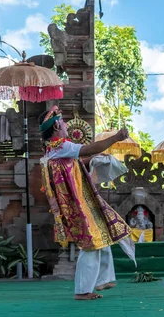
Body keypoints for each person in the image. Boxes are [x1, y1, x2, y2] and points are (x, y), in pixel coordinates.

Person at [39, 106, 135, 300]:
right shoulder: (60, 146)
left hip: (81, 202)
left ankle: (101, 280)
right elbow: (89, 148)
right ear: (57, 125)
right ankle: (83, 291)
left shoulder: (56, 149)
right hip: (77, 205)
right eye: (63, 121)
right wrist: (115, 138)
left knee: (103, 232)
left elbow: (76, 163)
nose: (66, 124)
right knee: (91, 243)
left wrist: (94, 159)